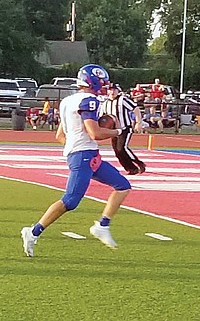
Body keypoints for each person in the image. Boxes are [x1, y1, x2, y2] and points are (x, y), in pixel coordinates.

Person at [21, 64, 132, 257]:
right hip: (84, 156)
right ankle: (32, 232)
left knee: (122, 185)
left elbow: (59, 135)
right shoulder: (88, 100)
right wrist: (118, 132)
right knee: (70, 201)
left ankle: (103, 226)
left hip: (87, 155)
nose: (104, 86)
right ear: (94, 81)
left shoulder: (68, 100)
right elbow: (94, 132)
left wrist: (74, 149)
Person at [100, 84, 145, 175]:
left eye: (114, 90)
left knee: (122, 148)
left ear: (118, 91)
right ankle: (131, 169)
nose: (112, 92)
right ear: (107, 91)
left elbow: (135, 109)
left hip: (125, 128)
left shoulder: (122, 100)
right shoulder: (105, 103)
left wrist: (138, 122)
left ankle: (139, 163)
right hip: (113, 131)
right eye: (110, 90)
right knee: (117, 151)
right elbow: (102, 117)